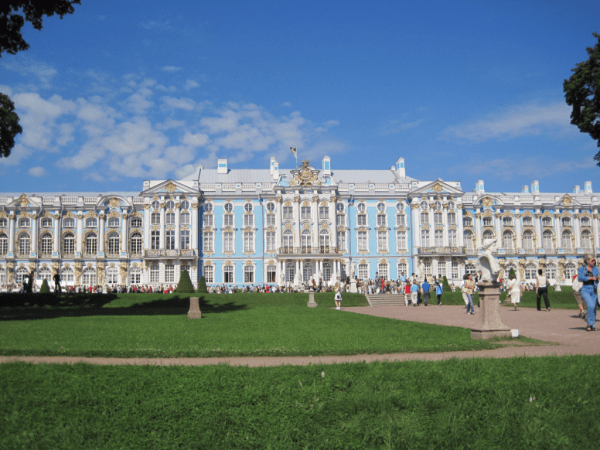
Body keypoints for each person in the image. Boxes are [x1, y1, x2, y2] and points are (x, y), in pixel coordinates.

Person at [578, 254, 598, 331]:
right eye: (592, 260)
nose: (594, 261)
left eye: (594, 260)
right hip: (585, 289)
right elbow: (580, 278)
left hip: (594, 289)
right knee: (590, 305)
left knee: (594, 308)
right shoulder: (582, 268)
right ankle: (589, 323)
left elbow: (597, 277)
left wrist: (597, 277)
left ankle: (592, 325)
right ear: (588, 261)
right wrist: (590, 277)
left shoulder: (596, 269)